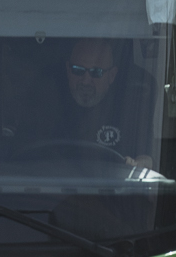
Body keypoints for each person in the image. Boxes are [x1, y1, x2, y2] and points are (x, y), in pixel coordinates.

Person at [60, 37, 155, 168]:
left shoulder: (131, 105)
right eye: (78, 70)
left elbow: (147, 159)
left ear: (112, 75)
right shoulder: (48, 104)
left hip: (115, 186)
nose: (86, 81)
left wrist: (136, 165)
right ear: (68, 69)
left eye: (96, 72)